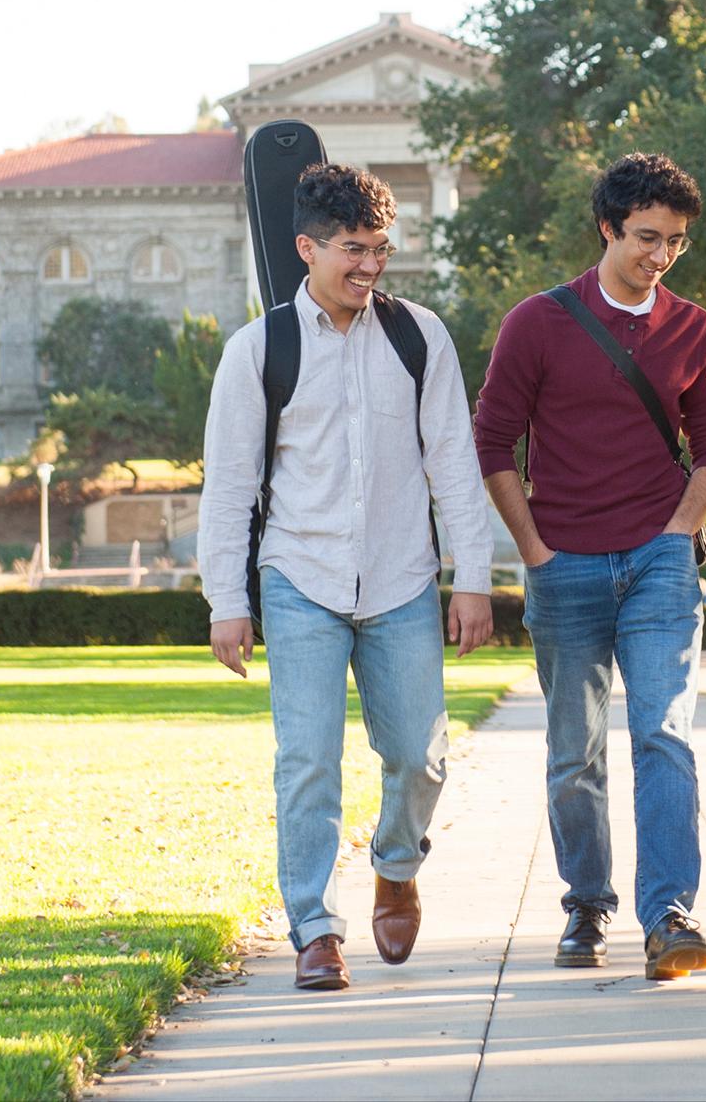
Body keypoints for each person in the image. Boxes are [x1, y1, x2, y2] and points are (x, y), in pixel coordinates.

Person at [199, 164, 501, 994]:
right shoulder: (259, 351)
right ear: (306, 248)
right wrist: (228, 601)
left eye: (380, 250)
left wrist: (470, 577)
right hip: (300, 577)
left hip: (403, 578)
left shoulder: (419, 337)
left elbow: (453, 462)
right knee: (307, 762)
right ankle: (315, 928)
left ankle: (396, 864)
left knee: (419, 756)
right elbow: (229, 485)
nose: (370, 267)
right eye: (352, 251)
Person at [471, 153, 706, 982]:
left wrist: (677, 531)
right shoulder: (538, 323)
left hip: (659, 563)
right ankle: (587, 905)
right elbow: (492, 442)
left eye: (677, 243)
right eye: (647, 238)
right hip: (566, 566)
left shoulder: (692, 328)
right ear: (608, 228)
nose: (660, 256)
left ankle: (669, 915)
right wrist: (534, 550)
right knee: (573, 750)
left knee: (663, 733)